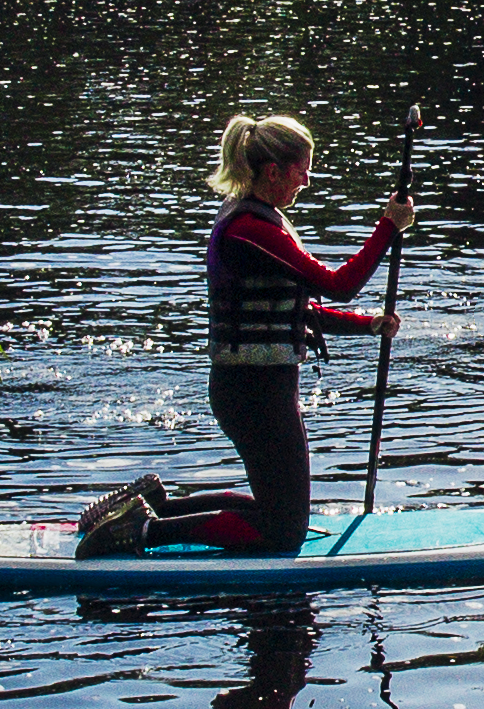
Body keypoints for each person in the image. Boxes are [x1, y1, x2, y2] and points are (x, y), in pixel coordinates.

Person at [77, 112, 411, 557]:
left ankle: (155, 507)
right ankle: (141, 532)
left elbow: (294, 309)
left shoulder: (260, 221)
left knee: (275, 513)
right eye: (301, 170)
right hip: (255, 394)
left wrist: (367, 325)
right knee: (283, 530)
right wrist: (388, 227)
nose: (306, 181)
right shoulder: (250, 230)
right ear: (273, 172)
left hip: (258, 389)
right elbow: (340, 284)